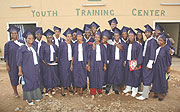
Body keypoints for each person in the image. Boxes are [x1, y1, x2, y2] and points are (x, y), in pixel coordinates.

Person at [16, 29, 42, 105]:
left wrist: (38, 67)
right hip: (27, 69)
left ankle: (35, 96)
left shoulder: (34, 47)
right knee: (28, 83)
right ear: (26, 39)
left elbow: (36, 58)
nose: (31, 39)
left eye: (32, 38)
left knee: (35, 81)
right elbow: (19, 61)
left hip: (35, 68)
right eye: (29, 38)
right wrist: (20, 71)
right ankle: (29, 99)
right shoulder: (22, 48)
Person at [136, 24, 158, 100]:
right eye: (146, 32)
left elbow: (153, 53)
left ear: (151, 33)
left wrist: (150, 63)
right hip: (145, 60)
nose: (146, 33)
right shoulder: (148, 41)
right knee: (145, 76)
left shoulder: (152, 41)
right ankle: (146, 91)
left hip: (149, 61)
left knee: (147, 77)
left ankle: (145, 95)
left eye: (148, 32)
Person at [4, 25, 24, 98]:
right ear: (10, 34)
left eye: (15, 33)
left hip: (21, 64)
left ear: (17, 34)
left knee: (23, 78)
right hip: (12, 64)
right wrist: (7, 65)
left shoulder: (21, 42)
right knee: (13, 78)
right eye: (12, 33)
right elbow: (6, 56)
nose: (14, 34)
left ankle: (25, 92)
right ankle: (15, 92)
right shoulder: (8, 44)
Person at [123, 28, 143, 97]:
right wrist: (125, 61)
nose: (130, 37)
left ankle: (135, 90)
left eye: (132, 36)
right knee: (128, 75)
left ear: (135, 36)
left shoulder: (138, 45)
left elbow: (140, 55)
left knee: (135, 76)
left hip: (135, 62)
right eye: (129, 36)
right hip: (128, 62)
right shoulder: (127, 44)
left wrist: (138, 64)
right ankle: (128, 87)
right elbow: (125, 53)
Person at [87, 29, 107, 96]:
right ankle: (93, 91)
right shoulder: (91, 46)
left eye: (98, 37)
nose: (97, 38)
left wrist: (104, 65)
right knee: (93, 77)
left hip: (100, 63)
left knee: (100, 76)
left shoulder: (102, 47)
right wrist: (88, 65)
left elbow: (104, 57)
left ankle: (99, 90)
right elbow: (89, 57)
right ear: (94, 38)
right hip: (93, 63)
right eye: (96, 37)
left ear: (100, 38)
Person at [152, 32, 171, 101]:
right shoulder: (158, 47)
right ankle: (156, 93)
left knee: (162, 80)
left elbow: (169, 59)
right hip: (156, 65)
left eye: (161, 40)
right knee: (156, 79)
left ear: (164, 41)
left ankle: (162, 94)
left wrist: (168, 68)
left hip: (163, 66)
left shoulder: (167, 48)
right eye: (159, 40)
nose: (159, 41)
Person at [106, 27, 126, 94]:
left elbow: (124, 53)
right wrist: (108, 60)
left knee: (117, 74)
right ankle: (108, 86)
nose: (116, 37)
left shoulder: (123, 43)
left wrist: (124, 61)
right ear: (113, 36)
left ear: (119, 36)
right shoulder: (111, 43)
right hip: (112, 61)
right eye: (115, 35)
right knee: (110, 73)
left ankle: (115, 87)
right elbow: (108, 52)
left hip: (120, 61)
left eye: (117, 35)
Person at [40, 29, 59, 97]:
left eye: (50, 37)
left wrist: (56, 60)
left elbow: (57, 55)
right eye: (48, 37)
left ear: (52, 37)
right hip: (46, 65)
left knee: (53, 76)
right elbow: (41, 57)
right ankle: (47, 90)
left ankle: (52, 89)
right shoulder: (43, 46)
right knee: (47, 77)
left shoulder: (55, 46)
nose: (49, 39)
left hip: (53, 64)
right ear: (46, 38)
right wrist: (45, 63)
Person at [71, 29, 88, 96]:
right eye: (77, 36)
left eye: (80, 36)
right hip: (76, 62)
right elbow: (72, 55)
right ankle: (75, 88)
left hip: (83, 62)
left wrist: (87, 64)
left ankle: (81, 89)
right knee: (75, 75)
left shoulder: (85, 45)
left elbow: (87, 55)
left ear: (82, 36)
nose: (79, 38)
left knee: (82, 75)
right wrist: (71, 64)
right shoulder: (74, 45)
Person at [58, 28, 73, 96]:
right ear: (66, 37)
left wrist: (72, 63)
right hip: (63, 62)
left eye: (70, 36)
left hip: (70, 61)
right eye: (68, 36)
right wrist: (60, 62)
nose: (69, 37)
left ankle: (68, 86)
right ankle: (62, 89)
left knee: (69, 74)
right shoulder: (62, 44)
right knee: (63, 75)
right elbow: (59, 54)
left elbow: (73, 54)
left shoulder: (72, 44)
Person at [33, 27, 46, 93]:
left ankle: (42, 88)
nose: (39, 35)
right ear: (35, 35)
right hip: (35, 63)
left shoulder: (44, 43)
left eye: (40, 34)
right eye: (37, 34)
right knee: (36, 76)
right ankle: (37, 89)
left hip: (42, 62)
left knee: (43, 75)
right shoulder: (32, 43)